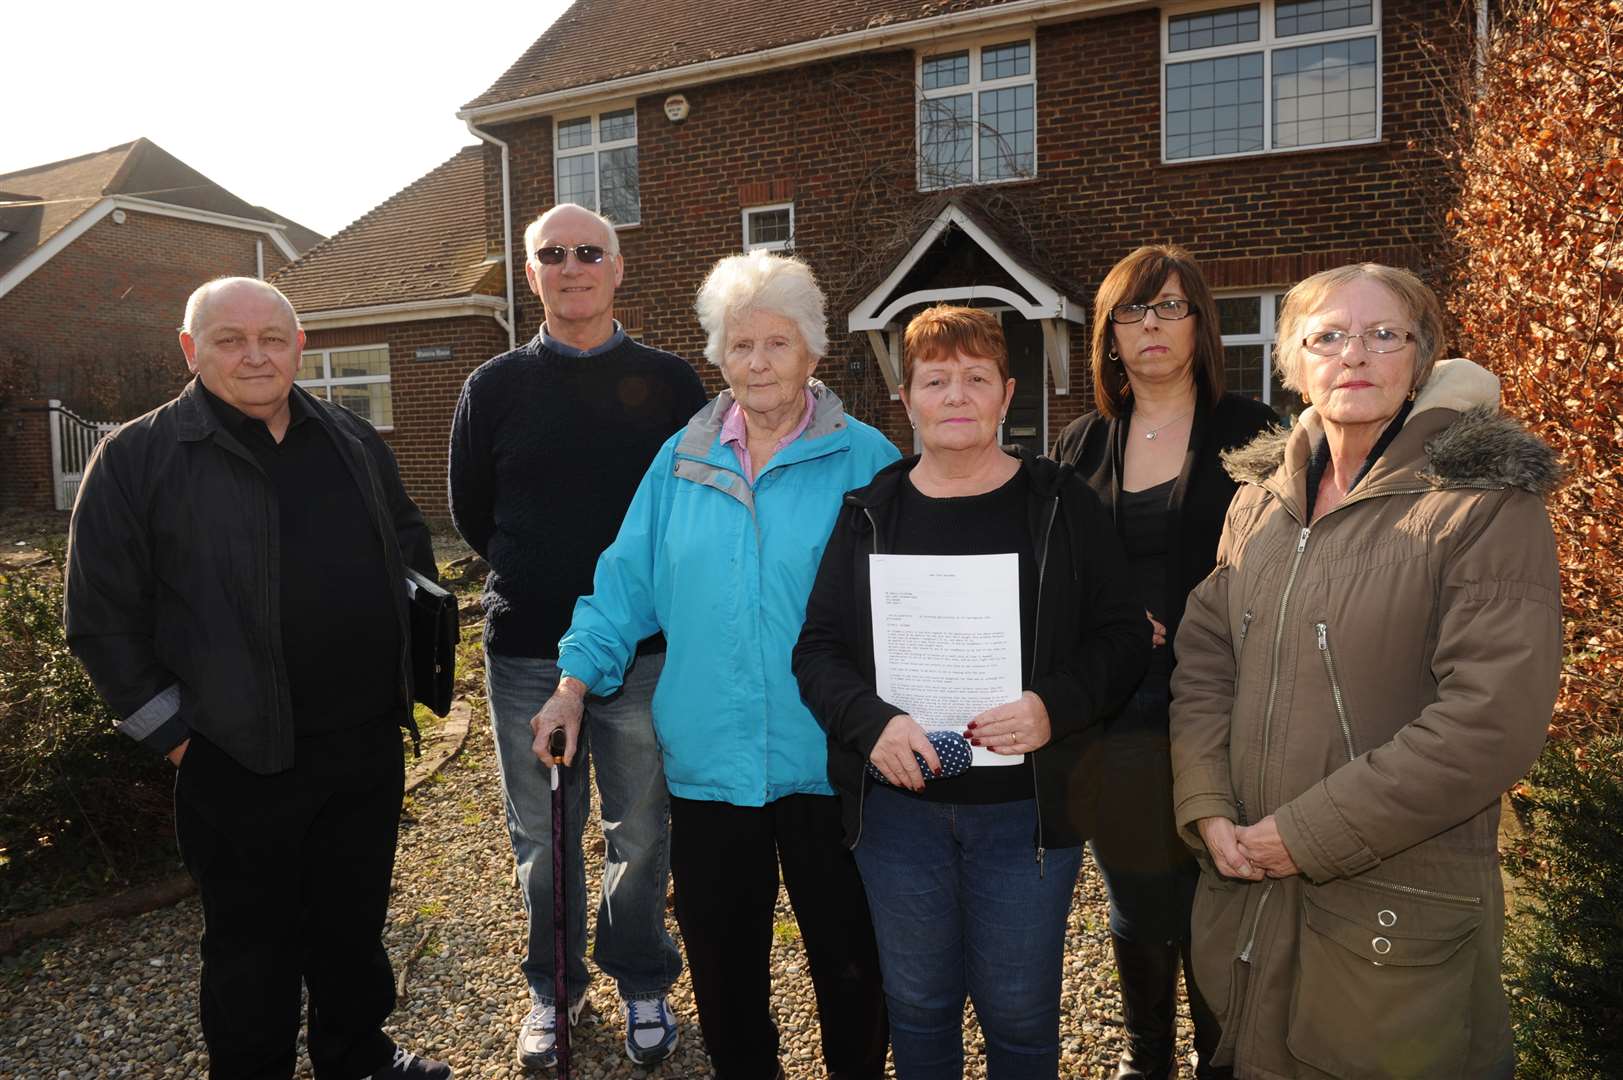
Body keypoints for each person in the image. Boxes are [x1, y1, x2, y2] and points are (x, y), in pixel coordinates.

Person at [1170, 264, 1561, 1079]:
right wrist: (1205, 805)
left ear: (1420, 359)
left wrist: (1303, 836)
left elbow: (1488, 721)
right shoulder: (1258, 503)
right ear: (1290, 364)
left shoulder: (1482, 505)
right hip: (1245, 906)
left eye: (1384, 334)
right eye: (1327, 336)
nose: (1356, 354)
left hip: (1389, 930)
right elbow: (1205, 662)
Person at [63, 277, 450, 1080]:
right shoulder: (137, 459)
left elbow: (408, 551)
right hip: (232, 757)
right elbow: (100, 620)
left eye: (273, 338)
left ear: (300, 346)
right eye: (230, 339)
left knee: (352, 929)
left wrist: (406, 682)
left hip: (360, 747)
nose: (254, 355)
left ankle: (359, 1058)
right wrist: (176, 741)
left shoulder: (350, 439)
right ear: (189, 349)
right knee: (250, 951)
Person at [531, 250, 899, 1080]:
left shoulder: (866, 460)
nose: (758, 363)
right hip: (709, 767)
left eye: (777, 343)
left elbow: (911, 600)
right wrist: (570, 686)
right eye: (740, 345)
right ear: (718, 355)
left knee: (851, 967)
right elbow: (622, 586)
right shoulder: (680, 461)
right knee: (727, 975)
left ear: (811, 352)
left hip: (829, 759)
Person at [794, 304, 1150, 1079]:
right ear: (906, 396)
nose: (955, 395)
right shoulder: (869, 514)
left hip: (1022, 816)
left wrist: (1052, 706)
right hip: (899, 815)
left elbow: (1123, 638)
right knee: (918, 1008)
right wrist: (871, 724)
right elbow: (818, 651)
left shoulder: (1060, 506)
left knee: (1020, 1016)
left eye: (975, 378)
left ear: (1005, 392)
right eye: (935, 379)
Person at [447, 204, 706, 1069]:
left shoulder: (672, 386)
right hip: (527, 651)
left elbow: (695, 508)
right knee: (543, 838)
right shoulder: (492, 387)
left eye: (587, 251)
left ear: (618, 266)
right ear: (531, 275)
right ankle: (552, 990)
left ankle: (640, 981)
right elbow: (473, 514)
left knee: (639, 830)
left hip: (642, 655)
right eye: (550, 254)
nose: (571, 266)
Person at [1050, 245, 1276, 1079]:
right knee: (1139, 897)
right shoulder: (1080, 443)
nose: (1150, 326)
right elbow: (1053, 571)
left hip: (1225, 699)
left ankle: (1221, 1057)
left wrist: (1183, 621)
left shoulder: (1254, 434)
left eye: (1170, 308)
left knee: (1220, 888)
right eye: (1132, 311)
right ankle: (1149, 1061)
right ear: (1108, 333)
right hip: (1119, 711)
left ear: (1200, 324)